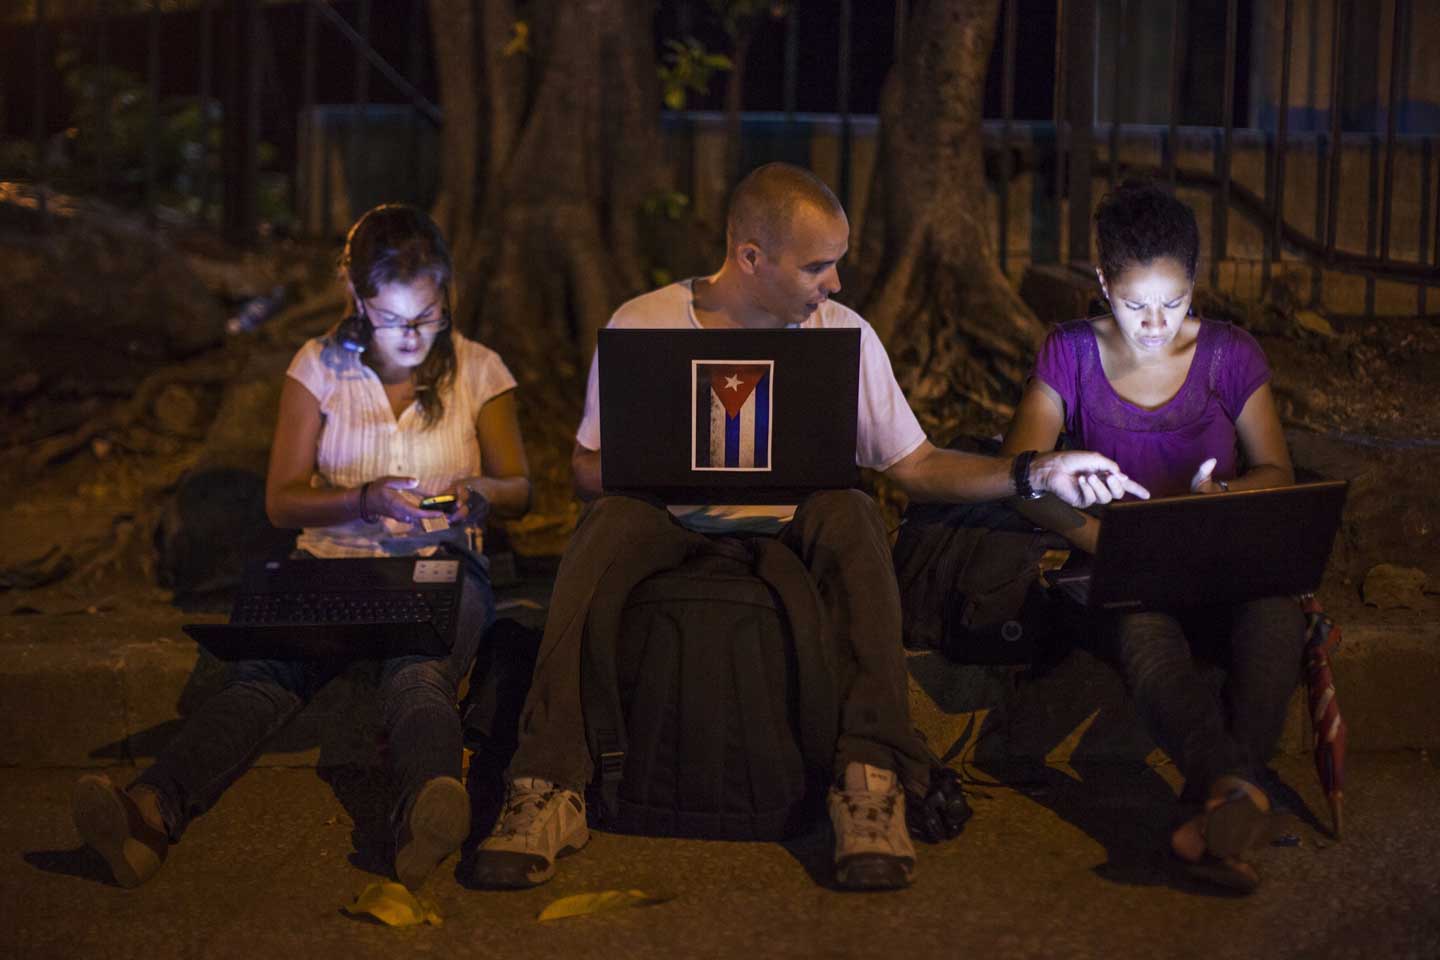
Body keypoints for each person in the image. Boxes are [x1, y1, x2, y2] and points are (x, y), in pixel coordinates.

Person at [469, 162, 1147, 892]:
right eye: (818, 266)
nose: (836, 284)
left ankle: (869, 784)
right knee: (603, 528)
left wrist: (1032, 473)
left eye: (838, 264)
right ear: (751, 257)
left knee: (852, 510)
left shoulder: (843, 335)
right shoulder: (643, 323)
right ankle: (544, 788)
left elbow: (915, 466)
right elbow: (582, 471)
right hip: (665, 516)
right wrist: (676, 460)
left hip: (794, 524)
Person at [71, 204, 532, 891]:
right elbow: (281, 498)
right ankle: (147, 813)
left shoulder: (478, 369)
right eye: (393, 318)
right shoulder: (318, 364)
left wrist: (481, 494)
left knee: (420, 670)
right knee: (264, 678)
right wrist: (362, 499)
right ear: (356, 299)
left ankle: (428, 811)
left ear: (447, 293)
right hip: (331, 566)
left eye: (429, 315)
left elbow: (521, 485)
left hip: (439, 563)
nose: (413, 337)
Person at [999, 180, 1304, 891]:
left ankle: (1219, 804)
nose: (1157, 324)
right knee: (1145, 632)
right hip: (1122, 564)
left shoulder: (1230, 355)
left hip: (1224, 556)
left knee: (1275, 616)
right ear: (1102, 282)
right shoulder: (1069, 353)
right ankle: (1228, 805)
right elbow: (1020, 477)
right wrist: (1101, 536)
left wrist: (1222, 496)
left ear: (1196, 284)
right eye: (1136, 305)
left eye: (1175, 303)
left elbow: (1277, 470)